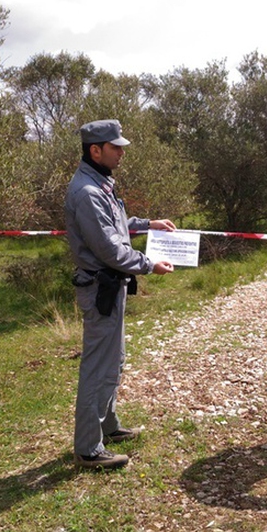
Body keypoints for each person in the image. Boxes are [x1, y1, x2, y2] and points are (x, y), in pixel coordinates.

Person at [65, 119, 176, 469]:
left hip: (111, 288)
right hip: (101, 287)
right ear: (95, 150)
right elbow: (111, 250)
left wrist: (148, 225)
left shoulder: (102, 185)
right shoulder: (87, 192)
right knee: (98, 368)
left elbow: (117, 225)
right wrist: (149, 263)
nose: (122, 152)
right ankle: (88, 449)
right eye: (115, 147)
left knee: (114, 360)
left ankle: (107, 427)